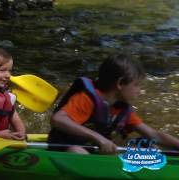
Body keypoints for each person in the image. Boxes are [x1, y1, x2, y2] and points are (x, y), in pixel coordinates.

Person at [48, 54, 179, 154]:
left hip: (93, 149)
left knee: (146, 146)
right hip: (64, 148)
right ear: (120, 83)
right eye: (136, 85)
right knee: (76, 150)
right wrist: (98, 138)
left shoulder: (122, 109)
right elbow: (57, 119)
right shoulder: (86, 99)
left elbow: (155, 135)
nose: (140, 91)